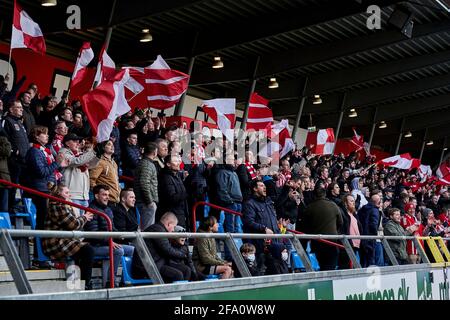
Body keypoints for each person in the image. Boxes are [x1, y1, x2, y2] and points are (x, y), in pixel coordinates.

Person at [42, 184, 95, 290]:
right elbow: (73, 224)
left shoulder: (63, 205)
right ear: (58, 194)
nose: (69, 195)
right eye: (66, 193)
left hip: (64, 239)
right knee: (88, 250)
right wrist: (84, 217)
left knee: (85, 250)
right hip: (55, 242)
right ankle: (85, 284)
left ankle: (80, 283)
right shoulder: (56, 205)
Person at [85, 185, 133, 287]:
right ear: (96, 196)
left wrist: (122, 235)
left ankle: (126, 280)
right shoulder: (91, 210)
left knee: (132, 249)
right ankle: (110, 281)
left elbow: (113, 229)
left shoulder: (108, 209)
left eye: (108, 195)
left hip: (107, 243)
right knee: (118, 251)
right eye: (104, 195)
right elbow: (94, 234)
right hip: (95, 245)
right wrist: (109, 242)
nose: (107, 197)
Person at [24, 126, 69, 231]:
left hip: (47, 189)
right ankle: (38, 246)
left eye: (47, 133)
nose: (47, 136)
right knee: (42, 221)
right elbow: (42, 172)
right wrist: (57, 163)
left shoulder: (45, 151)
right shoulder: (34, 151)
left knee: (46, 221)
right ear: (36, 136)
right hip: (40, 191)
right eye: (44, 134)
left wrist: (60, 165)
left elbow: (51, 171)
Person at [131, 212, 192, 283]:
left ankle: (182, 293)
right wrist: (183, 255)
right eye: (174, 226)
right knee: (178, 275)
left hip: (157, 263)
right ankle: (173, 293)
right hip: (146, 266)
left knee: (186, 270)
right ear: (169, 224)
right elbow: (167, 250)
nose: (173, 230)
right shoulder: (157, 229)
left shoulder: (160, 229)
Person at [243, 180, 281, 275]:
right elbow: (249, 222)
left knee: (276, 271)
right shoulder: (249, 204)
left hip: (274, 243)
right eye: (261, 185)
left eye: (264, 185)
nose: (264, 187)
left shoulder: (268, 203)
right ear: (255, 189)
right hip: (260, 246)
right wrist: (264, 228)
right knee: (260, 272)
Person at [301, 187, 343, 271]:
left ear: (314, 195)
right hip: (332, 241)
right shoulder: (333, 205)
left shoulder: (309, 208)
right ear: (325, 194)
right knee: (330, 266)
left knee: (323, 265)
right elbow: (340, 223)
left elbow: (305, 226)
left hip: (317, 242)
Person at [59, 133, 99, 214]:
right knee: (76, 224)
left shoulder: (80, 153)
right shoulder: (63, 153)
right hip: (71, 195)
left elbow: (91, 165)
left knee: (82, 223)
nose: (78, 143)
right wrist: (93, 152)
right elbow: (77, 161)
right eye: (74, 141)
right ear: (67, 143)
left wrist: (98, 154)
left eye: (78, 141)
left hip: (84, 195)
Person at [2, 100, 30, 209]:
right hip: (13, 160)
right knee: (12, 186)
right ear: (11, 109)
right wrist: (14, 151)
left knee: (21, 186)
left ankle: (15, 206)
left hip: (23, 160)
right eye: (18, 107)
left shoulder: (19, 122)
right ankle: (8, 208)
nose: (21, 109)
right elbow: (4, 138)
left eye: (21, 107)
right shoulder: (7, 121)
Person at [157, 154, 189, 229]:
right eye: (175, 161)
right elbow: (172, 198)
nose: (178, 163)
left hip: (180, 213)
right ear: (168, 164)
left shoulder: (176, 176)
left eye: (178, 161)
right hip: (171, 215)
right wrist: (188, 192)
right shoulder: (165, 177)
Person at [89, 140, 120, 205]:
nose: (112, 146)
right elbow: (91, 179)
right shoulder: (100, 162)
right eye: (109, 144)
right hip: (105, 199)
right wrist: (99, 193)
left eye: (112, 145)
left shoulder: (114, 163)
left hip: (115, 199)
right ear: (103, 148)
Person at [358, 194, 384, 267]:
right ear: (378, 202)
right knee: (371, 262)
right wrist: (375, 235)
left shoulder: (362, 209)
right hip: (370, 239)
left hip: (362, 238)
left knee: (363, 261)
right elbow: (373, 225)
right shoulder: (375, 210)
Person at [338, 193, 362, 269]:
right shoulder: (342, 213)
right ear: (345, 203)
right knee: (347, 269)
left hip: (356, 246)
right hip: (347, 246)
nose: (354, 203)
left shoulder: (354, 214)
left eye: (354, 201)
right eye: (351, 201)